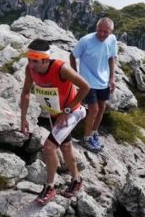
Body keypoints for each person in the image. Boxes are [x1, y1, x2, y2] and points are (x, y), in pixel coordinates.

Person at [20, 39, 90, 204]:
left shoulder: (61, 68)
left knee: (49, 147)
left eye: (35, 61)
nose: (31, 65)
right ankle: (76, 180)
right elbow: (26, 92)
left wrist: (67, 110)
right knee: (65, 147)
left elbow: (85, 87)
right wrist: (23, 118)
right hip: (54, 112)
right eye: (29, 60)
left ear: (45, 60)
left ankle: (50, 187)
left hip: (72, 112)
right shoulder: (30, 70)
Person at [69, 18, 118, 152]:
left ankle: (93, 133)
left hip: (103, 81)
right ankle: (86, 138)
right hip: (88, 82)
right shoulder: (85, 40)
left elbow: (111, 58)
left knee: (102, 108)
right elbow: (72, 56)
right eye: (99, 30)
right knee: (94, 110)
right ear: (96, 28)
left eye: (105, 32)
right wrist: (76, 76)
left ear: (111, 31)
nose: (102, 34)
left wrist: (112, 78)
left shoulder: (112, 39)